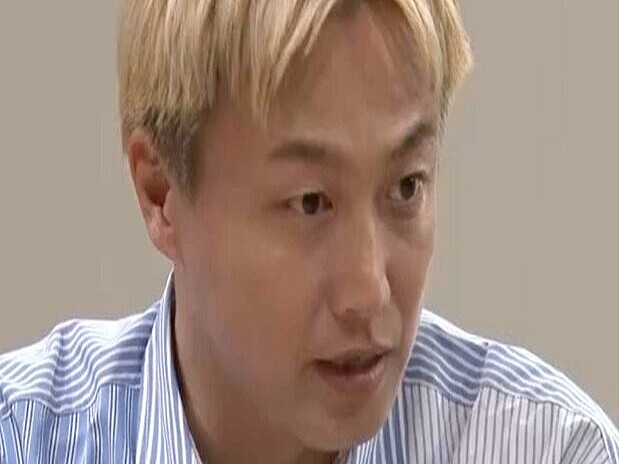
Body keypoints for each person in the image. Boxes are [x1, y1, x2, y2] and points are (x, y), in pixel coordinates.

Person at [1, 0, 617, 462]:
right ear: (160, 194)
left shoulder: (548, 449)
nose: (369, 292)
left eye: (406, 188)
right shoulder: (23, 437)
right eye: (311, 203)